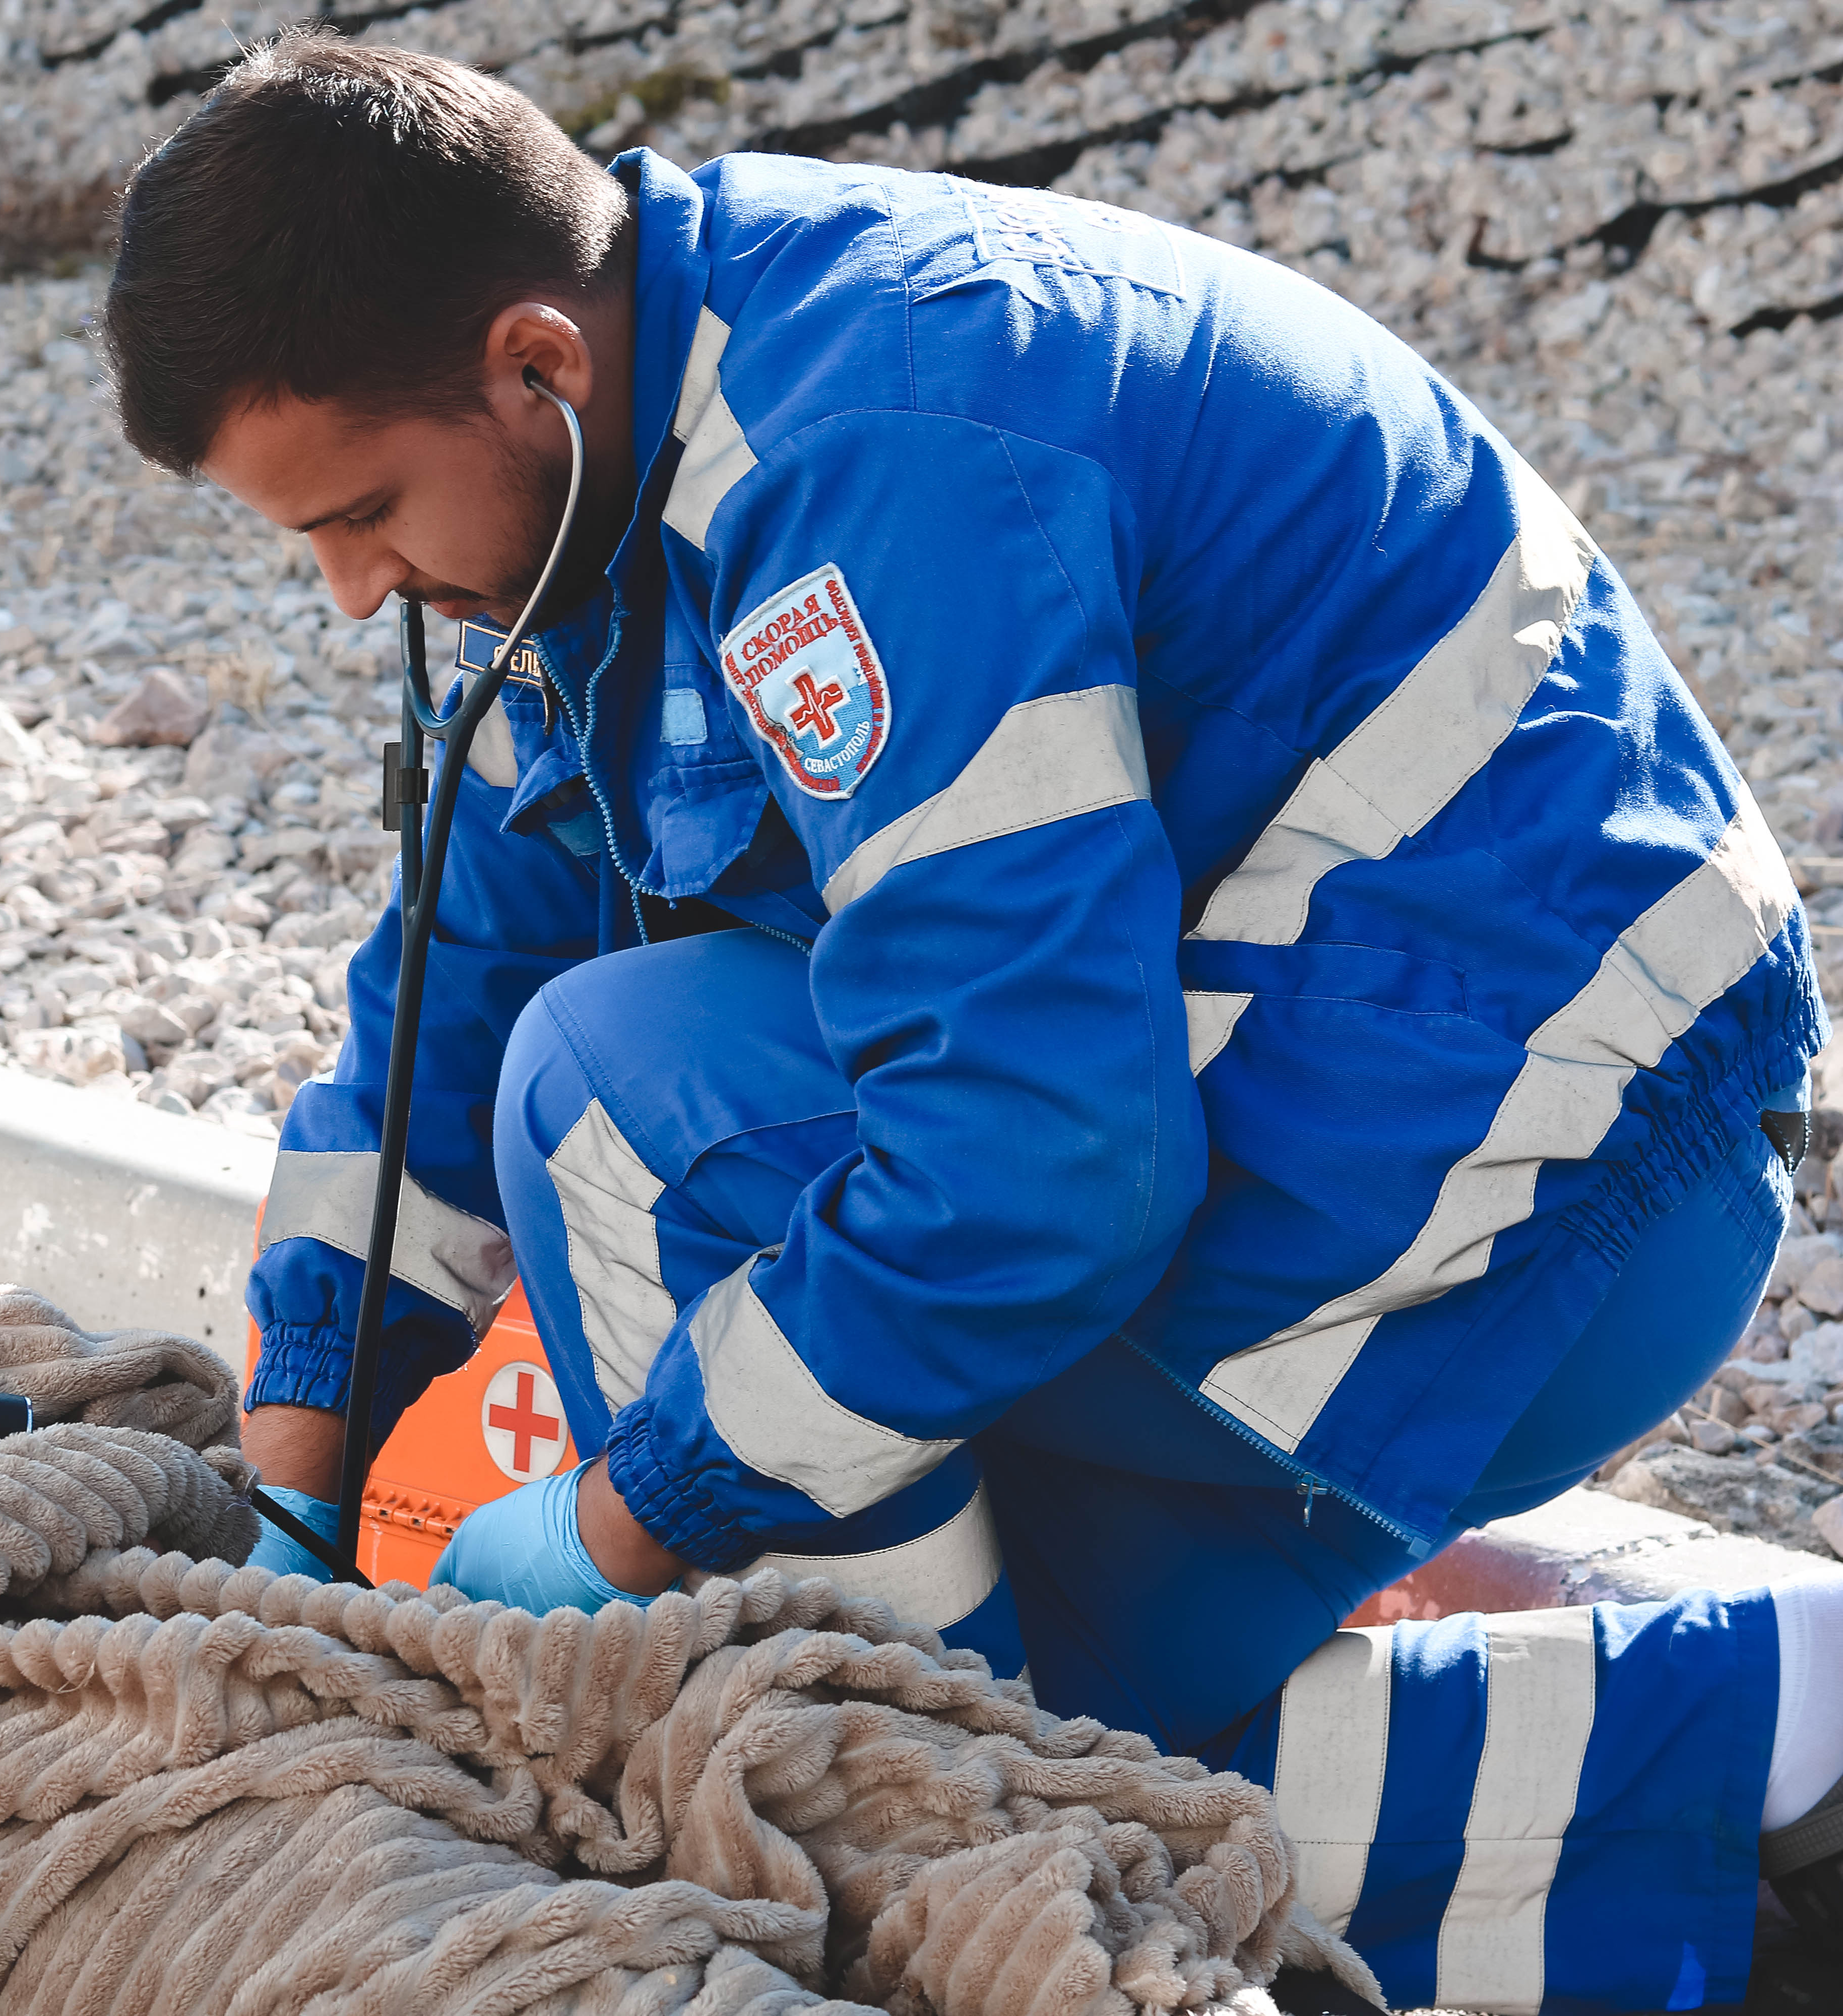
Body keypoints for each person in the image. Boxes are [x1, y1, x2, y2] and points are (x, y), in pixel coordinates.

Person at [100, 30, 1837, 2011]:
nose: (346, 590)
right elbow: (436, 1019)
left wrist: (625, 1516)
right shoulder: (582, 497)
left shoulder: (872, 449)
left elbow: (1040, 1157)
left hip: (1549, 1162)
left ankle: (959, 1850)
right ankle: (1769, 1721)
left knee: (628, 1109)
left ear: (532, 367)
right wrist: (287, 1512)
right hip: (1392, 1132)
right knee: (1008, 1743)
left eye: (359, 513)